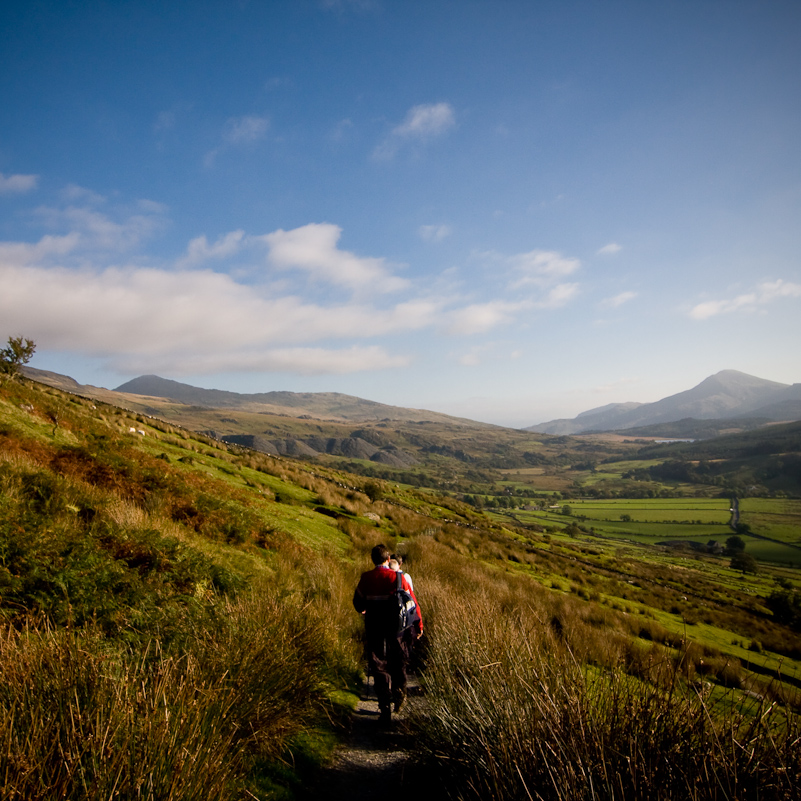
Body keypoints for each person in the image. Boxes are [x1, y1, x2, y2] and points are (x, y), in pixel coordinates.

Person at [353, 544, 422, 724]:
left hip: (374, 629)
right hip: (397, 630)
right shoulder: (399, 578)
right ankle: (399, 695)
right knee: (398, 663)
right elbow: (412, 604)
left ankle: (384, 707)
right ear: (388, 559)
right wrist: (418, 624)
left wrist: (365, 609)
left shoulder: (366, 578)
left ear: (373, 559)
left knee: (379, 666)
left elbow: (358, 603)